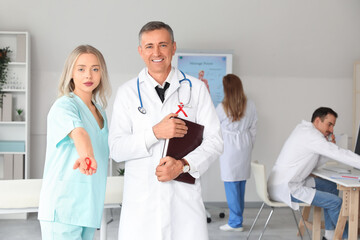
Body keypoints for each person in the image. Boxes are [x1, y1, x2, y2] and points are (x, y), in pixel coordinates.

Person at [109, 21, 223, 240]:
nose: (156, 52)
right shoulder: (127, 93)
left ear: (173, 47)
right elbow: (116, 149)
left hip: (183, 204)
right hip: (141, 207)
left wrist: (183, 165)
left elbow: (215, 141)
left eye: (163, 45)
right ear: (140, 51)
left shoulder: (196, 89)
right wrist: (155, 133)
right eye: (149, 46)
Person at [38, 45, 111, 240]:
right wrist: (87, 156)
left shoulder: (100, 112)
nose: (89, 75)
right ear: (70, 72)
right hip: (63, 208)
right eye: (81, 69)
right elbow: (79, 132)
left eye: (95, 69)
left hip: (88, 208)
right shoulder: (64, 105)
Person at [267, 107, 360, 240]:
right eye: (329, 124)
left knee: (331, 186)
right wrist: (330, 147)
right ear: (317, 121)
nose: (331, 130)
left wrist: (328, 147)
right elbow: (340, 153)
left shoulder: (304, 130)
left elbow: (313, 163)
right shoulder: (311, 136)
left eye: (333, 126)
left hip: (284, 182)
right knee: (336, 203)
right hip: (287, 188)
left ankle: (329, 235)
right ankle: (349, 238)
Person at [216, 74, 257, 232]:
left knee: (231, 183)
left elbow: (215, 129)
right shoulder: (251, 105)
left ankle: (235, 222)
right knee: (240, 184)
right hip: (245, 144)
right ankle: (237, 219)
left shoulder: (221, 108)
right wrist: (249, 145)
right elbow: (254, 127)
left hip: (229, 147)